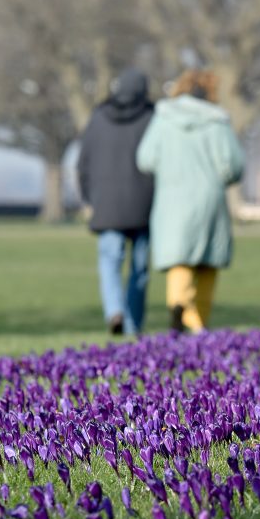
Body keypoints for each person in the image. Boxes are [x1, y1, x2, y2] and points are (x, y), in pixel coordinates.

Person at [136, 70, 244, 333]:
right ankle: (199, 324)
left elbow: (146, 158)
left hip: (172, 198)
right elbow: (232, 167)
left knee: (179, 258)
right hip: (209, 197)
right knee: (208, 262)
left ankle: (178, 306)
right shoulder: (217, 122)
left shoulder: (163, 119)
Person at [77, 68, 155, 336]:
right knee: (140, 267)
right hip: (145, 204)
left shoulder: (98, 117)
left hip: (106, 204)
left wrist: (90, 197)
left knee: (109, 261)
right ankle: (134, 324)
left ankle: (115, 311)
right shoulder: (151, 117)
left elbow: (83, 162)